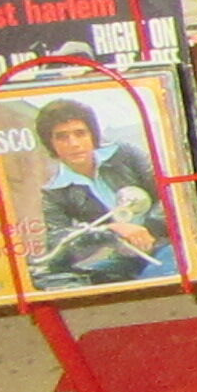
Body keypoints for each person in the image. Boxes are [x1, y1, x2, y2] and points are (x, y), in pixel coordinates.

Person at [28, 96, 172, 283]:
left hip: (168, 244)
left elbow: (172, 195)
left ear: (92, 136)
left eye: (80, 134)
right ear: (50, 143)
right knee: (64, 282)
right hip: (124, 255)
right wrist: (108, 230)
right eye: (62, 137)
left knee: (158, 278)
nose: (73, 143)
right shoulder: (55, 190)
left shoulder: (124, 154)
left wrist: (146, 230)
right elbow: (57, 243)